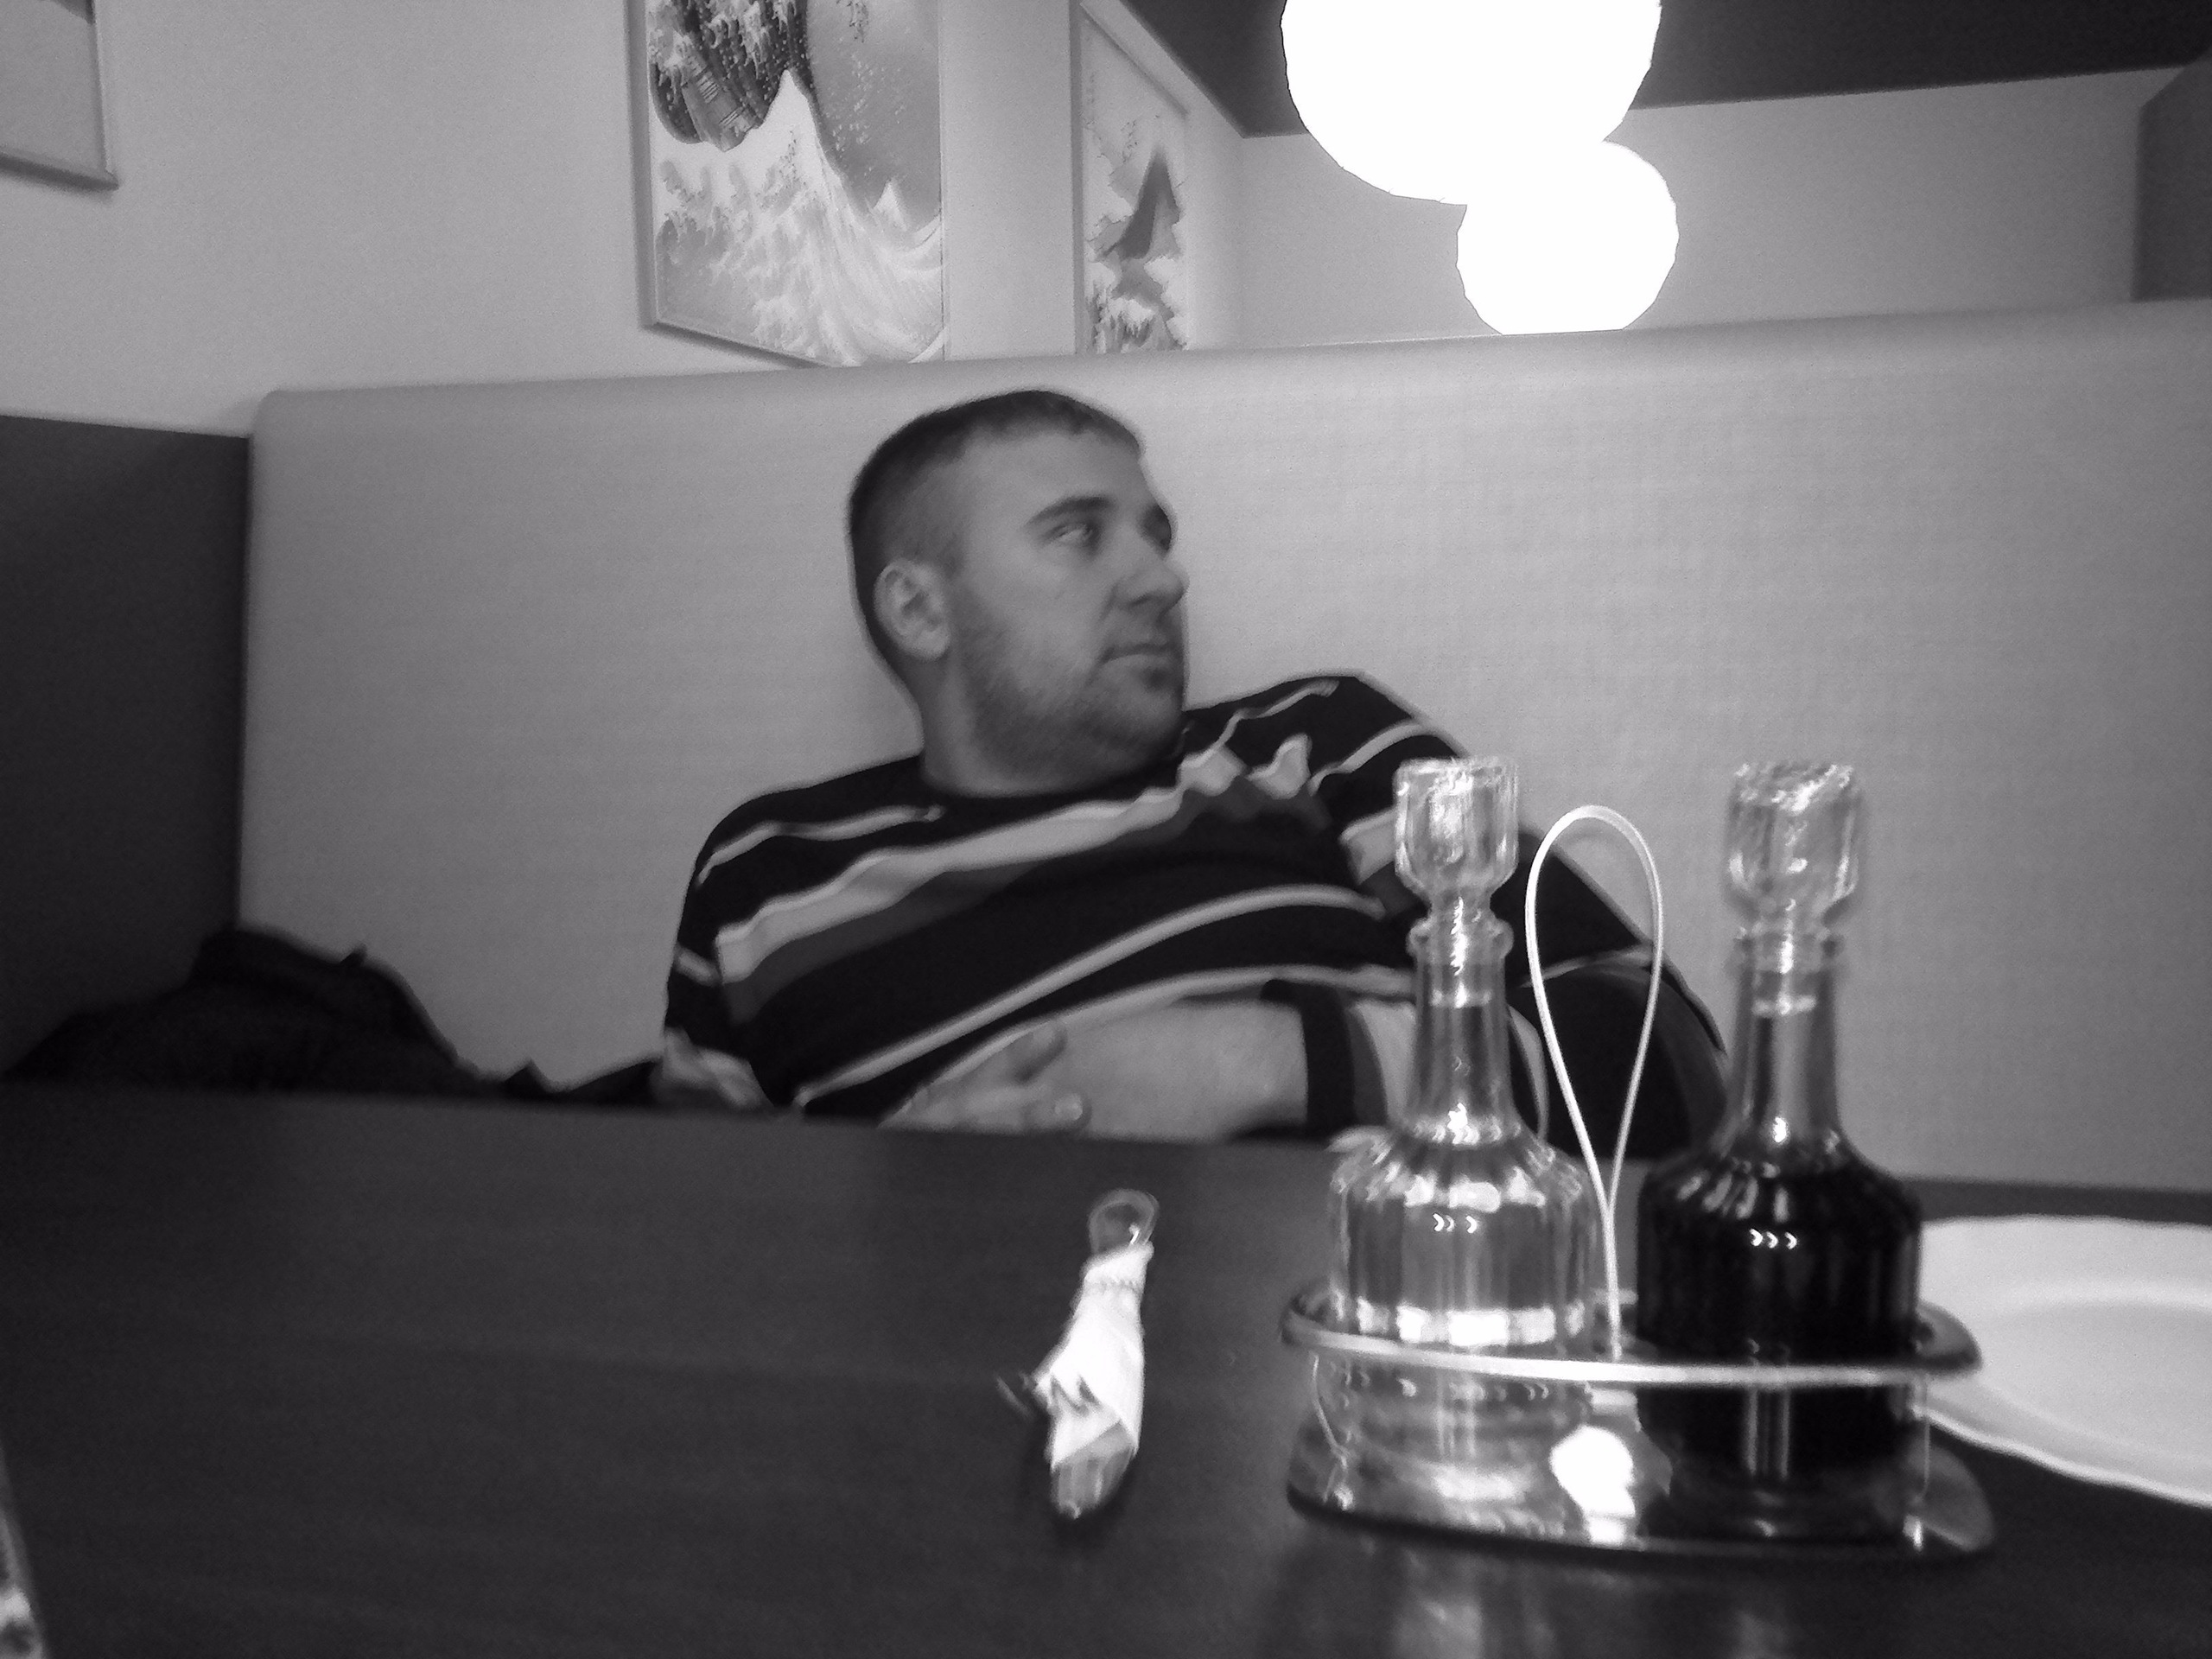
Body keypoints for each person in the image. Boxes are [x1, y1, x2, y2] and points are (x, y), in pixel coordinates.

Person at [657, 389, 1722, 1142]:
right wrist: (893, 1179)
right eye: (1077, 535)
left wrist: (1259, 1063)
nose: (1161, 580)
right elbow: (694, 1235)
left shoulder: (1313, 746)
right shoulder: (769, 873)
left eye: (1155, 536)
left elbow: (1666, 1060)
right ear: (920, 609)